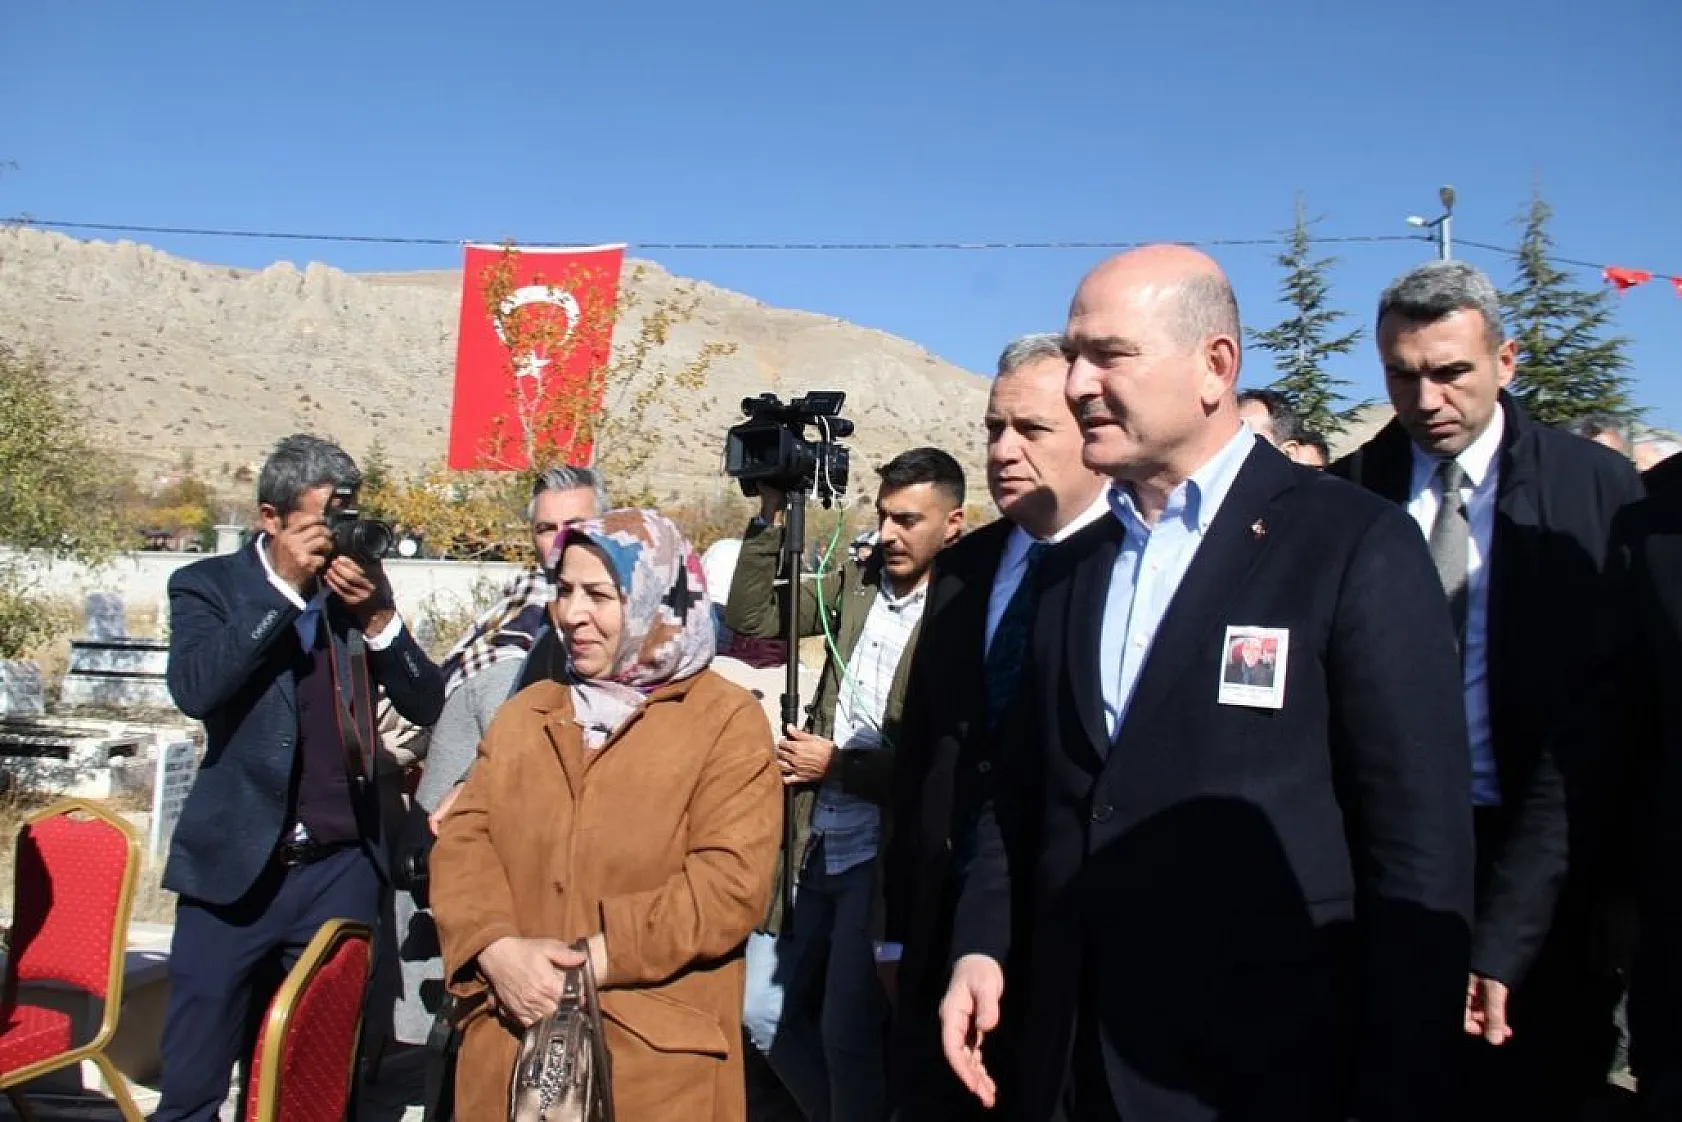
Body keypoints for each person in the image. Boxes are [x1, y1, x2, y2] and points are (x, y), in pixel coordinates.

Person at [940, 246, 1474, 1122]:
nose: (1077, 384)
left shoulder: (1349, 543)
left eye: (1108, 355)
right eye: (1073, 355)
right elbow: (1025, 791)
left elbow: (1417, 848)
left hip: (1262, 1070)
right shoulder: (1071, 565)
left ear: (1215, 367)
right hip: (1070, 1060)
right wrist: (982, 945)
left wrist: (1399, 1082)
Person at [1332, 259, 1643, 1122]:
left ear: (1506, 361)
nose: (1426, 398)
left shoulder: (1595, 493)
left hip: (1547, 863)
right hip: (1383, 863)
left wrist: (1532, 917)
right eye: (1402, 375)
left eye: (1450, 372)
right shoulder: (1349, 495)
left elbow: (1608, 720)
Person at [430, 510, 782, 1121]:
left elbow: (730, 886)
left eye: (598, 595)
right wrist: (496, 949)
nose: (571, 614)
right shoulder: (527, 715)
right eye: (564, 590)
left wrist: (591, 959)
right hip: (508, 1055)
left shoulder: (725, 723)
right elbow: (464, 841)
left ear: (655, 598)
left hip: (653, 1070)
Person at [154, 434, 446, 1122]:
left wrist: (380, 618)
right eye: (324, 518)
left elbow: (426, 701)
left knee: (315, 1089)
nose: (337, 533)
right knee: (192, 1085)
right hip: (232, 875)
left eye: (348, 515)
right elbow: (196, 689)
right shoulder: (206, 586)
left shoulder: (354, 589)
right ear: (271, 518)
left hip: (338, 872)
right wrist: (283, 591)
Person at [883, 332, 1107, 1119]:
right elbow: (922, 753)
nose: (1004, 450)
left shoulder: (1127, 566)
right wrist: (894, 929)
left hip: (1064, 941)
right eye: (992, 428)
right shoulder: (966, 567)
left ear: (1091, 431)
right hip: (940, 927)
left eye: (1032, 429)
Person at [726, 448, 966, 1122]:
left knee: (846, 1032)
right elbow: (755, 616)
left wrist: (839, 767)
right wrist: (770, 514)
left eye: (908, 520)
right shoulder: (854, 583)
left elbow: (940, 766)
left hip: (878, 854)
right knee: (760, 1008)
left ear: (952, 524)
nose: (889, 534)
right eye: (883, 516)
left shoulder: (963, 611)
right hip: (812, 836)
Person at [382, 465, 606, 1050]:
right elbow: (433, 822)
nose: (558, 542)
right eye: (545, 528)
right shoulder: (506, 641)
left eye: (575, 525)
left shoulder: (642, 639)